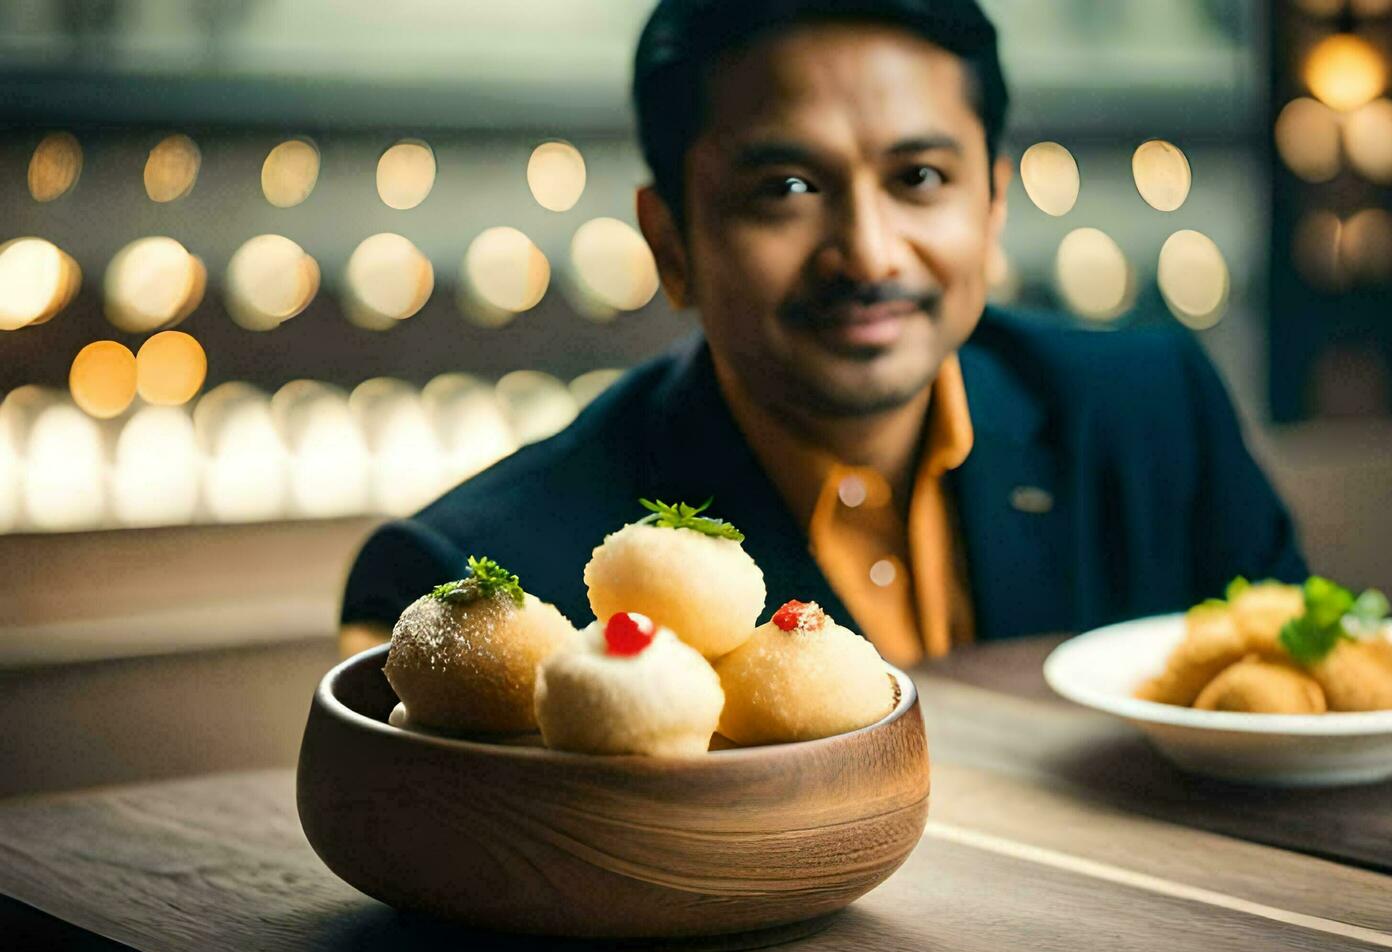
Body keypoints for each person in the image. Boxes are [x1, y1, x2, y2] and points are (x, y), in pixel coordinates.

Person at [339, 0, 1307, 666]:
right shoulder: (490, 582)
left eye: (920, 178)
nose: (867, 252)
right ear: (670, 240)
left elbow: (1310, 707)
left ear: (994, 206)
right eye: (786, 190)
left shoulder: (1152, 410)